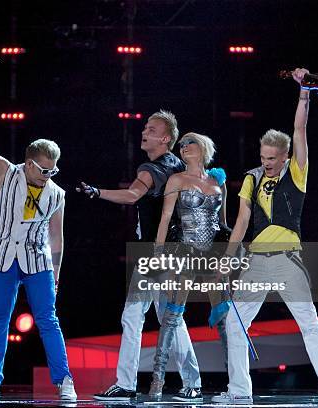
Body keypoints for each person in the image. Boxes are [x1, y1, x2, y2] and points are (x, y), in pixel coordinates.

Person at [212, 68, 318, 405]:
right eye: (262, 157)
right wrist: (228, 260)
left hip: (288, 260)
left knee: (310, 325)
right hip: (256, 262)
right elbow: (241, 220)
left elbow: (300, 128)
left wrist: (304, 92)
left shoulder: (297, 173)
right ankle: (239, 392)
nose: (266, 163)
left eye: (272, 158)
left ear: (285, 156)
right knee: (235, 324)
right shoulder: (252, 179)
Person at [0, 86, 76, 401]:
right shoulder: (5, 174)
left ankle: (64, 381)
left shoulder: (57, 194)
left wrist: (57, 272)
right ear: (29, 162)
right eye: (43, 170)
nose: (48, 176)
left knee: (48, 320)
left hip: (38, 263)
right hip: (2, 257)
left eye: (53, 170)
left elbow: (56, 236)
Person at [78, 111, 199, 401]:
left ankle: (126, 383)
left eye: (152, 129)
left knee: (134, 317)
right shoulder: (181, 166)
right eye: (145, 127)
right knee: (170, 318)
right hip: (177, 252)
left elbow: (132, 195)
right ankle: (192, 383)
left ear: (165, 138)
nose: (144, 131)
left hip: (156, 254)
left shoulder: (152, 168)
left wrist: (97, 192)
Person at [147, 133, 230, 402]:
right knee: (171, 317)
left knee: (224, 319)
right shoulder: (177, 180)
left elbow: (223, 224)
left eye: (189, 143)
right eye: (180, 145)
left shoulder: (218, 180)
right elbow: (166, 218)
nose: (183, 148)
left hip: (213, 257)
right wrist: (158, 252)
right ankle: (157, 382)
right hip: (185, 253)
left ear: (203, 147)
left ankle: (237, 382)